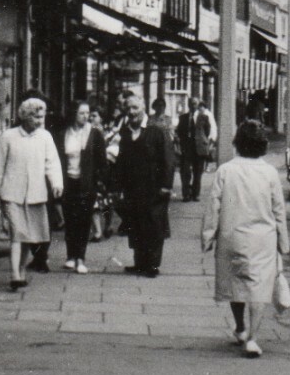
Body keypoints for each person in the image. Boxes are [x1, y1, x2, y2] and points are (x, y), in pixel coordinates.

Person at [201, 119, 289, 358]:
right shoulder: (270, 173)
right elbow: (279, 210)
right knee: (258, 287)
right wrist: (284, 243)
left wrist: (208, 236)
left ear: (238, 143)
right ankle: (253, 338)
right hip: (263, 239)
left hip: (232, 236)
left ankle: (240, 327)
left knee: (235, 283)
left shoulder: (225, 171)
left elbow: (214, 207)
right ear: (262, 145)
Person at [0, 97, 64, 291]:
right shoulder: (8, 137)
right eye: (36, 117)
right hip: (11, 193)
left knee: (27, 237)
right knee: (17, 234)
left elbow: (53, 162)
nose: (40, 121)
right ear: (24, 116)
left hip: (36, 194)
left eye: (42, 117)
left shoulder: (45, 137)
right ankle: (15, 275)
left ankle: (21, 270)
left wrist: (56, 183)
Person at [109, 88, 175, 278]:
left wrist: (166, 186)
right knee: (136, 224)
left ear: (143, 107)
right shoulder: (126, 132)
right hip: (133, 189)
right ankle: (139, 262)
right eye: (128, 108)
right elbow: (121, 161)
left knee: (154, 225)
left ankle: (152, 265)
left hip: (155, 188)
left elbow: (168, 160)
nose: (132, 112)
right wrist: (117, 187)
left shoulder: (157, 131)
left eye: (135, 107)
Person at [61, 100, 106, 274]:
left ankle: (81, 258)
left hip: (86, 184)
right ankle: (70, 256)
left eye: (88, 113)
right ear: (74, 113)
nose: (86, 116)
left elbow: (101, 161)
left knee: (84, 220)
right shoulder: (65, 133)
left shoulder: (94, 134)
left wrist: (100, 182)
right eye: (82, 113)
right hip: (68, 181)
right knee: (70, 219)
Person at [175, 96, 216, 202]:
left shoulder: (204, 117)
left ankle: (195, 194)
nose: (193, 106)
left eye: (195, 104)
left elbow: (207, 131)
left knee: (198, 172)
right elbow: (179, 131)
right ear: (188, 105)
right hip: (187, 147)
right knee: (185, 171)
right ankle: (186, 194)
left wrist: (203, 142)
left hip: (198, 147)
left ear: (198, 105)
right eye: (191, 103)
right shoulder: (183, 117)